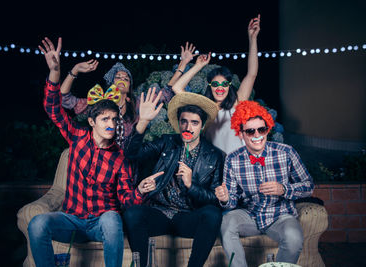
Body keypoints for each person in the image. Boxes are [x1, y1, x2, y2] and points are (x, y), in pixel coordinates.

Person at [28, 37, 163, 267]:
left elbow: (126, 200)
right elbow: (53, 108)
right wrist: (55, 72)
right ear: (91, 121)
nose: (111, 123)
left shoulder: (119, 157)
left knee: (112, 218)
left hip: (102, 223)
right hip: (72, 220)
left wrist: (139, 190)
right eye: (104, 119)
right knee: (37, 224)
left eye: (113, 118)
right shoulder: (78, 138)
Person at [122, 89, 225, 267]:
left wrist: (191, 185)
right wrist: (143, 121)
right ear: (178, 123)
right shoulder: (167, 142)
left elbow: (214, 200)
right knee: (132, 213)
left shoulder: (214, 156)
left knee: (213, 214)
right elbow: (132, 154)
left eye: (194, 123)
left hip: (189, 216)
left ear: (202, 126)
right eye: (184, 121)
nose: (188, 127)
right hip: (160, 212)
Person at [215, 100, 314, 266]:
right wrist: (225, 198)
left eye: (261, 129)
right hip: (249, 215)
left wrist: (283, 189)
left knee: (294, 238)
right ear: (240, 134)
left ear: (268, 129)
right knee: (226, 222)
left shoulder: (286, 152)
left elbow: (308, 186)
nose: (257, 135)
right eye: (250, 131)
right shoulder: (233, 159)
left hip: (281, 215)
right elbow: (231, 202)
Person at [60, 42, 199, 149]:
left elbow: (166, 92)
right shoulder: (99, 103)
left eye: (126, 79)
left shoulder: (137, 104)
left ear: (129, 88)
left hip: (127, 165)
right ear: (110, 84)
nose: (122, 79)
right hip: (101, 164)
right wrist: (75, 70)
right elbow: (65, 99)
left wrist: (183, 63)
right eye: (118, 77)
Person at [171, 15, 261, 155]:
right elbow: (176, 88)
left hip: (237, 163)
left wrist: (252, 38)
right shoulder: (202, 107)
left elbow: (252, 73)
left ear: (229, 86)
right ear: (209, 85)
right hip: (212, 166)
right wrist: (198, 65)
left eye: (224, 84)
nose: (220, 88)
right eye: (215, 84)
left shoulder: (237, 103)